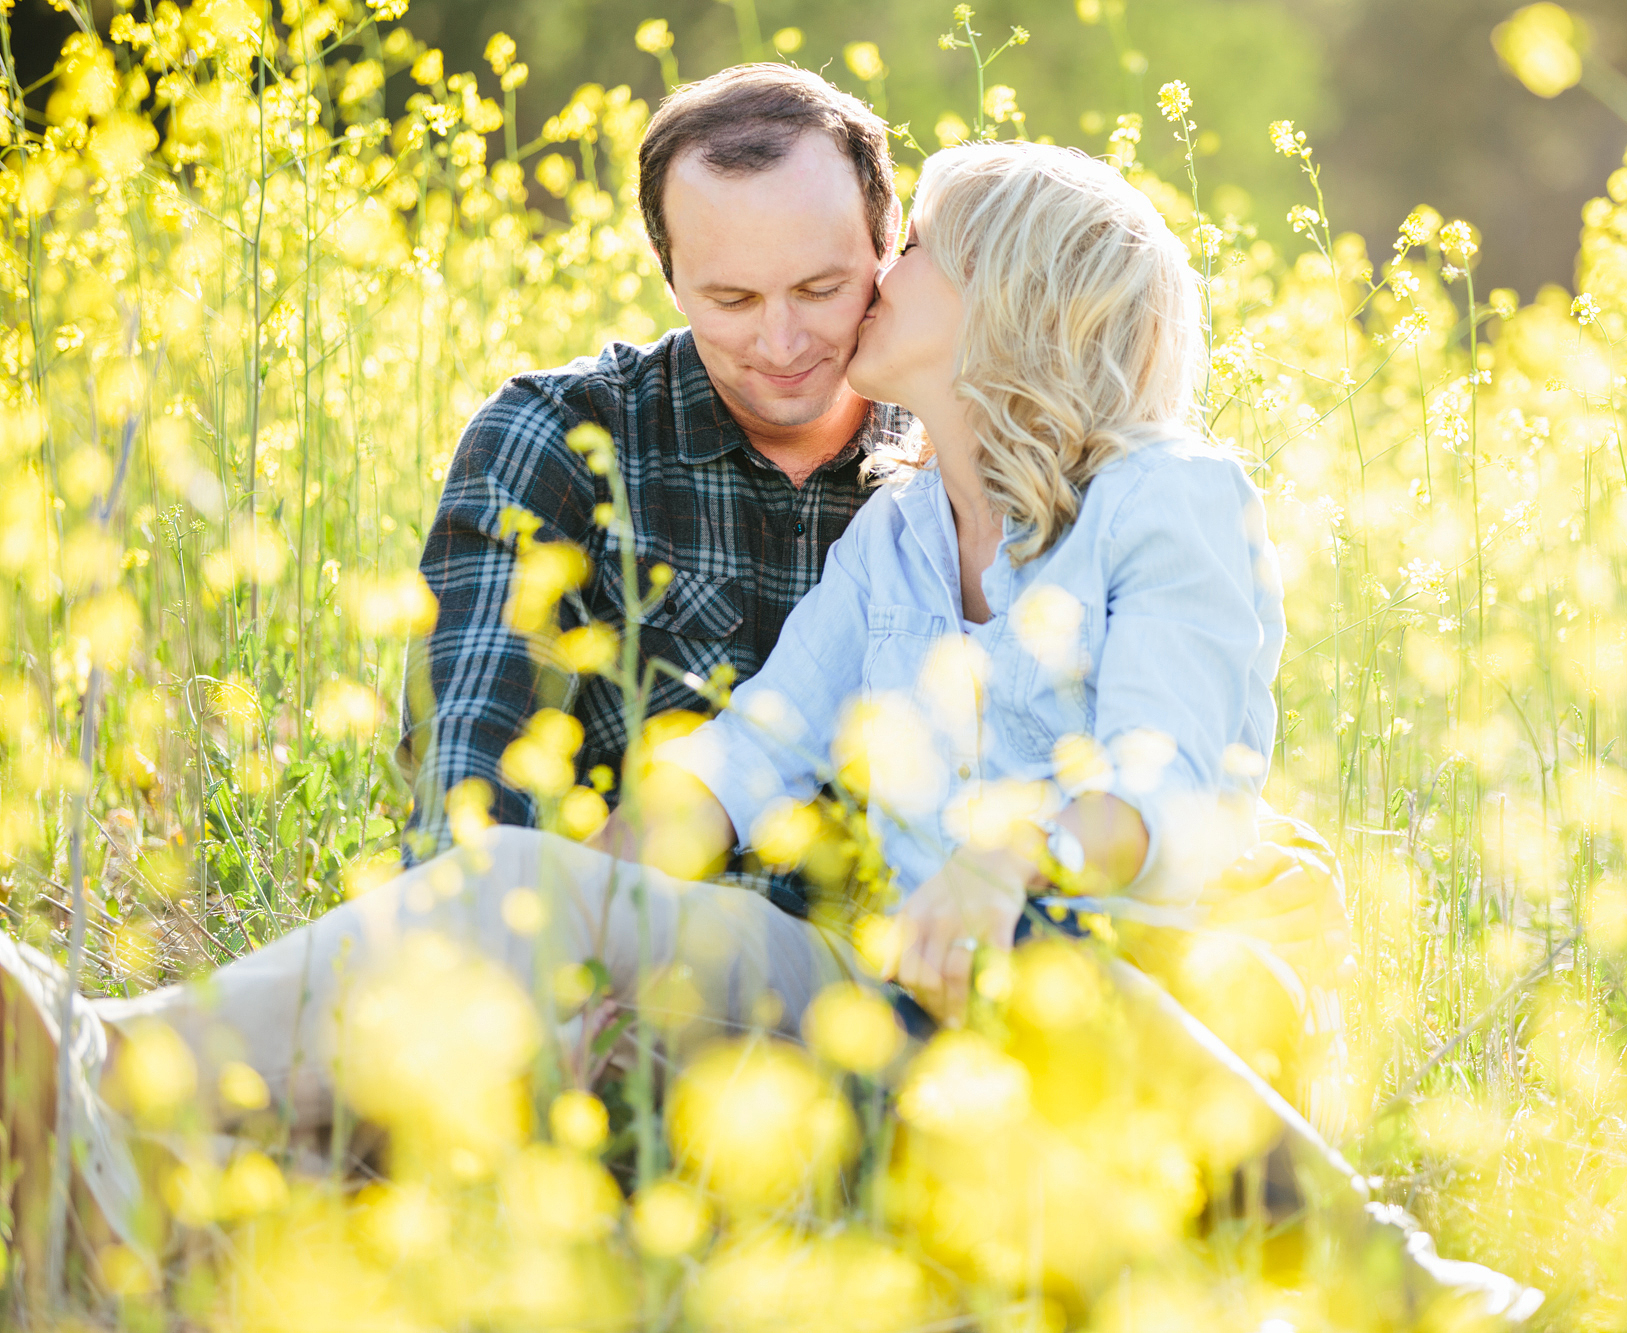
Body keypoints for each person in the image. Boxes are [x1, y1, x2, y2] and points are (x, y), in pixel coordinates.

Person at [0, 78, 1539, 1326]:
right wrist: (553, 906)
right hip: (873, 1008)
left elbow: (1174, 771)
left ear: (994, 294)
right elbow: (755, 747)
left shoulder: (1171, 501)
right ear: (667, 274)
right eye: (735, 294)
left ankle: (1392, 1277)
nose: (811, 328)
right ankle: (94, 1063)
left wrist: (1010, 856)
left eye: (878, 263)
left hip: (1110, 988)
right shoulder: (882, 530)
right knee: (518, 892)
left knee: (1051, 981)